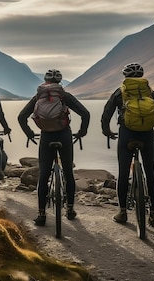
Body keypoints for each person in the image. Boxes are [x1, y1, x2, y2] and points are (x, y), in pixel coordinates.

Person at [18, 69, 90, 226]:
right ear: (60, 82)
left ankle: (41, 214)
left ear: (45, 82)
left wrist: (29, 133)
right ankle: (70, 209)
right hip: (64, 136)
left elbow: (21, 117)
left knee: (44, 175)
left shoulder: (38, 96)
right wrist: (81, 133)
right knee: (68, 173)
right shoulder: (65, 96)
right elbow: (85, 114)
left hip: (46, 137)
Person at [101, 62, 154, 226]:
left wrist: (107, 131)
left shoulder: (120, 93)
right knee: (150, 171)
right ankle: (153, 213)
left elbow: (106, 114)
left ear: (125, 77)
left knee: (123, 172)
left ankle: (122, 212)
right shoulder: (150, 93)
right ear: (142, 76)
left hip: (127, 135)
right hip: (147, 135)